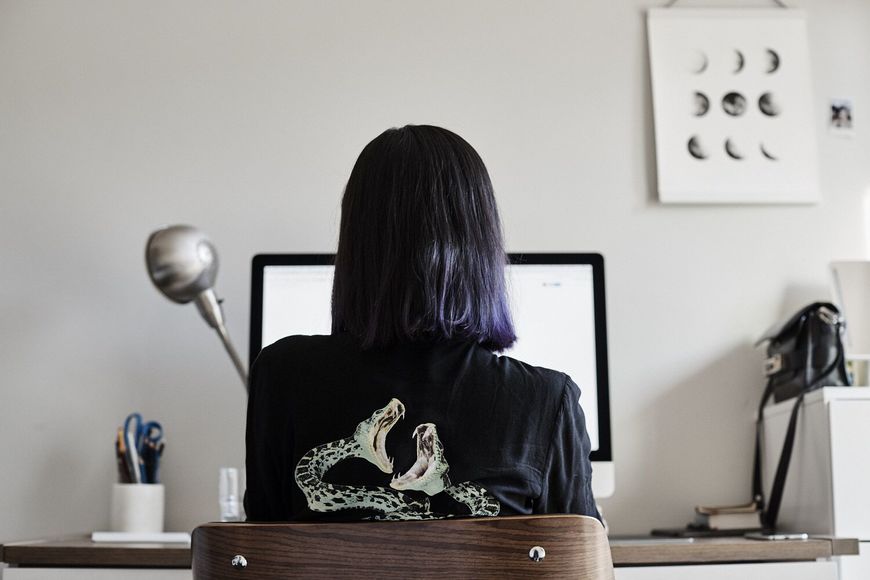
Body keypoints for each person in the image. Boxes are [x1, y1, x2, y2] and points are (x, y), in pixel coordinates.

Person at [244, 125, 598, 521]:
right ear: (481, 245)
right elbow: (580, 563)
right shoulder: (548, 399)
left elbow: (256, 555)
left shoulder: (283, 374)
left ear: (357, 246)